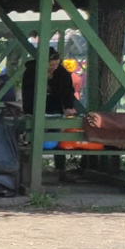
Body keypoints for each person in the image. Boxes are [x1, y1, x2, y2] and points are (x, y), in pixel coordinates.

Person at [21, 48, 78, 179]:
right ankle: (33, 172)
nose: (54, 67)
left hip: (55, 110)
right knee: (33, 139)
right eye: (51, 64)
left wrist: (68, 107)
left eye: (57, 64)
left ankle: (60, 169)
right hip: (35, 109)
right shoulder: (30, 73)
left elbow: (68, 91)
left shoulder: (62, 73)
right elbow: (27, 93)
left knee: (57, 138)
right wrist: (28, 111)